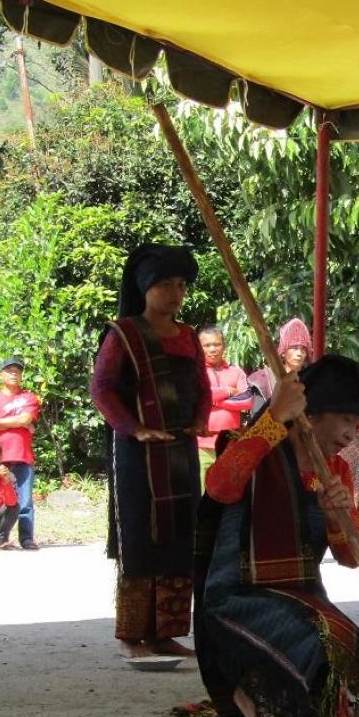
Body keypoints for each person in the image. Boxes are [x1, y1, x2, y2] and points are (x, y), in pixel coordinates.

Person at [194, 356, 359, 717]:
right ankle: (248, 687)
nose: (351, 435)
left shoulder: (336, 471)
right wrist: (274, 417)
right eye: (346, 420)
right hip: (236, 598)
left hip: (302, 598)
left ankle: (282, 697)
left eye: (358, 426)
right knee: (318, 644)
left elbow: (351, 559)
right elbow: (219, 487)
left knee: (357, 656)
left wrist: (336, 519)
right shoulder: (253, 446)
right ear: (310, 413)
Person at [91, 243, 210, 659]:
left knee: (180, 535)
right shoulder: (123, 334)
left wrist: (201, 419)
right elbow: (102, 389)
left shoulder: (189, 337)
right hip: (137, 456)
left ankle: (165, 634)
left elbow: (202, 387)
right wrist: (135, 429)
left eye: (181, 285)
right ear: (144, 287)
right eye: (165, 285)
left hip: (180, 450)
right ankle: (132, 636)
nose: (175, 294)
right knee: (141, 535)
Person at [0, 357, 41, 550]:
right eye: (9, 370)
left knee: (25, 501)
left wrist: (0, 421)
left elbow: (26, 418)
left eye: (17, 371)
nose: (14, 374)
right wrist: (19, 422)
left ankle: (26, 538)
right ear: (1, 375)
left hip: (22, 456)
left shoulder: (29, 397)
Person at [196, 325, 251, 483]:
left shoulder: (236, 372)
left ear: (224, 346)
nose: (213, 349)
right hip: (202, 443)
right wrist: (228, 391)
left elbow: (247, 400)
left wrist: (213, 401)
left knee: (228, 488)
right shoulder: (196, 372)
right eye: (207, 345)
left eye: (217, 344)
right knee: (202, 490)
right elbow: (198, 395)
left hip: (230, 443)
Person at [248, 317, 312, 409]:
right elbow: (258, 414)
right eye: (294, 348)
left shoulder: (310, 379)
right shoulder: (265, 379)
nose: (299, 353)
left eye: (303, 349)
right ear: (284, 352)